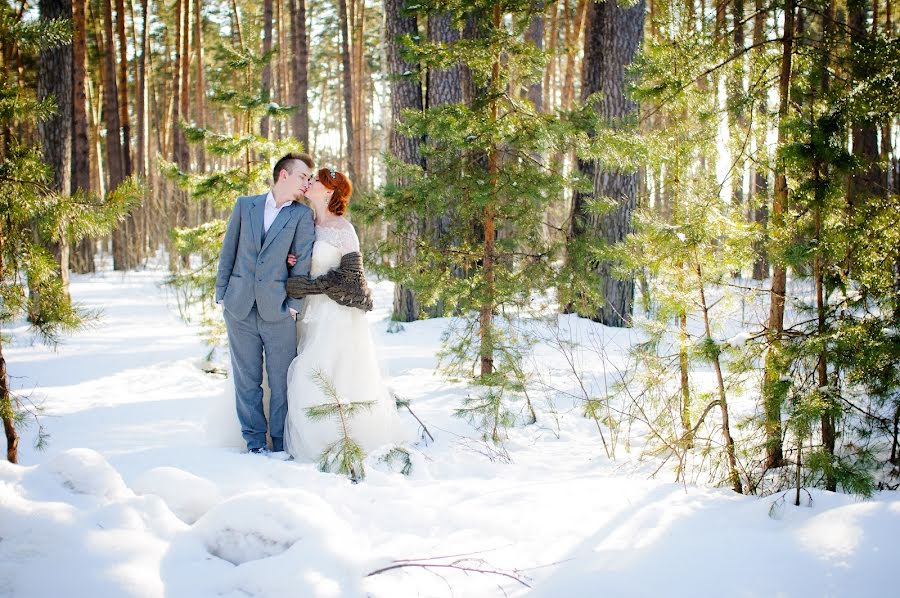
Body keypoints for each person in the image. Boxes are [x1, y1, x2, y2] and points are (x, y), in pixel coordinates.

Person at [282, 168, 405, 463]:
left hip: (336, 315)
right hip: (308, 311)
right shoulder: (306, 223)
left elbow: (353, 279)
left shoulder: (343, 229)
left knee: (324, 371)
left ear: (329, 192)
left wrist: (311, 285)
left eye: (316, 180)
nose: (308, 182)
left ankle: (336, 441)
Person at [214, 153, 316, 456]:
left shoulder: (300, 215)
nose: (307, 183)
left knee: (281, 382)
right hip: (239, 307)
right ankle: (255, 442)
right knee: (247, 381)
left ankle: (281, 443)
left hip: (278, 311)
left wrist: (294, 304)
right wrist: (222, 293)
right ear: (283, 175)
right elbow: (228, 251)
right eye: (303, 177)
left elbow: (303, 263)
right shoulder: (246, 206)